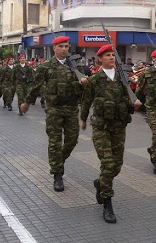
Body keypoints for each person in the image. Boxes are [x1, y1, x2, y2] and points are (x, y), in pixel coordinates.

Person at [21, 36, 86, 192]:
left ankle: (58, 162)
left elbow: (84, 88)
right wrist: (26, 102)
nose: (65, 49)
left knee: (72, 140)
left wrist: (84, 84)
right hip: (54, 109)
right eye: (61, 46)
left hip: (71, 109)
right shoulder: (46, 67)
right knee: (55, 143)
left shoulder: (76, 66)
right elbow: (35, 85)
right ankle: (57, 174)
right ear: (54, 48)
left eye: (66, 46)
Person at [80, 44, 136, 224]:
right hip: (101, 127)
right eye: (107, 55)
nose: (112, 57)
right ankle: (107, 203)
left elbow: (129, 97)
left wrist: (134, 103)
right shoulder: (95, 79)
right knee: (108, 163)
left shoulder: (122, 78)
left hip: (119, 126)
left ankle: (100, 183)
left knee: (117, 165)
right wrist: (82, 119)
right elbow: (86, 101)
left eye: (113, 54)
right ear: (100, 59)